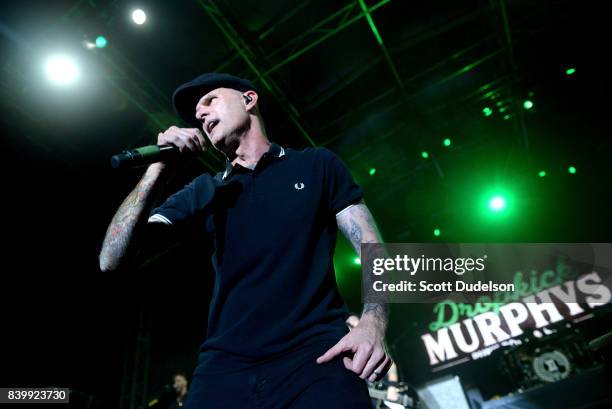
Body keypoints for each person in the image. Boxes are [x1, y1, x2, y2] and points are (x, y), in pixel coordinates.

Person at [100, 72, 391, 408]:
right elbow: (110, 259)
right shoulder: (205, 190)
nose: (201, 114)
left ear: (249, 100)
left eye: (210, 101)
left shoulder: (316, 165)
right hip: (225, 369)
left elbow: (375, 249)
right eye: (197, 113)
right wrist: (157, 169)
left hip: (316, 356)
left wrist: (373, 322)